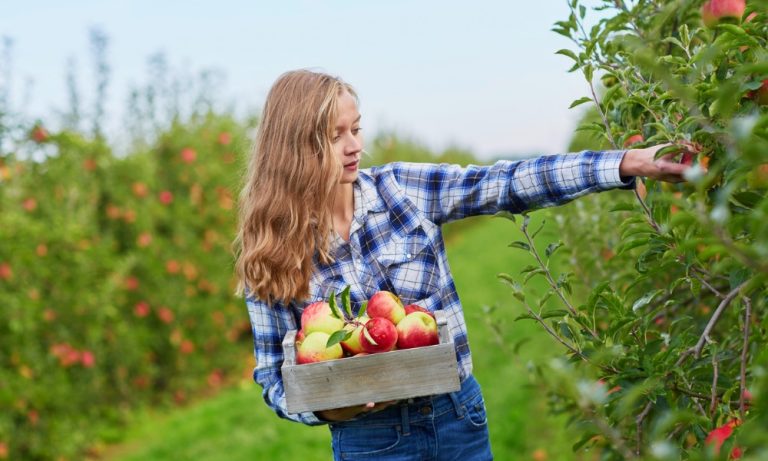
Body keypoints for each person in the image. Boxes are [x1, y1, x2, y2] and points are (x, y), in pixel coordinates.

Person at [234, 69, 692, 460]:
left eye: (356, 128)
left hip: (456, 416)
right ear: (295, 148)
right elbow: (274, 376)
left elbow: (506, 182)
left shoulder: (402, 190)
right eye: (335, 136)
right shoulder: (274, 248)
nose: (354, 145)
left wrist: (627, 162)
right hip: (368, 440)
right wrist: (328, 408)